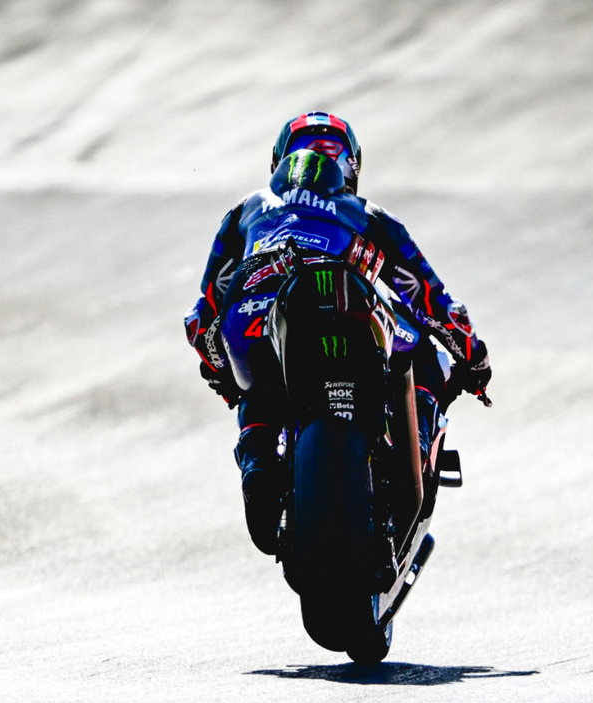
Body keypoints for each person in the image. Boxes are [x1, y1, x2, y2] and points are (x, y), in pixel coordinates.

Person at [183, 112, 491, 554]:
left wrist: (220, 372)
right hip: (347, 305)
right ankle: (415, 444)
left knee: (257, 384)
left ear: (277, 161)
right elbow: (430, 298)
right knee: (424, 350)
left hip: (256, 309)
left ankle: (257, 460)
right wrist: (473, 357)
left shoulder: (244, 211)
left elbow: (201, 315)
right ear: (352, 168)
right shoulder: (366, 214)